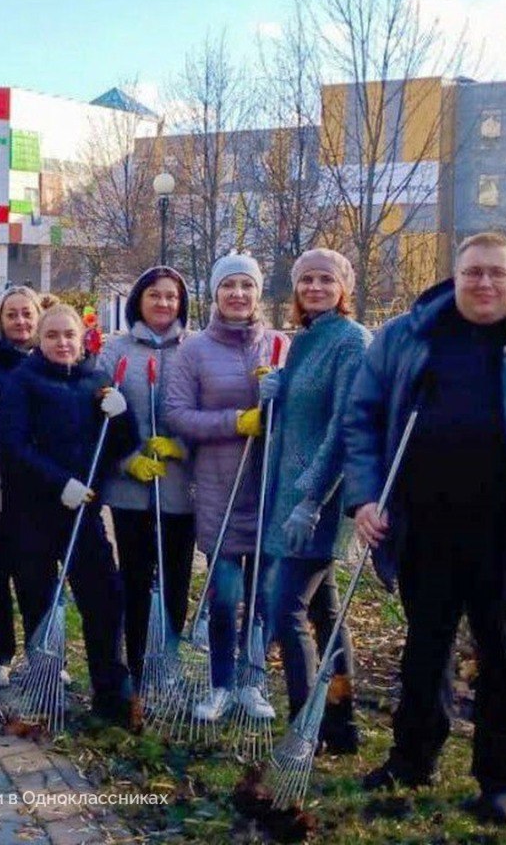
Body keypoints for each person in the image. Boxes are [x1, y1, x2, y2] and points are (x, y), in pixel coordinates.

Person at [344, 232, 506, 827]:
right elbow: (362, 417)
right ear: (456, 274)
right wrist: (365, 496)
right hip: (424, 526)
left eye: (497, 273)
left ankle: (502, 780)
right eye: (473, 272)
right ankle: (412, 757)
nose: (485, 284)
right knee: (425, 649)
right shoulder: (407, 336)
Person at [0, 302, 137, 726]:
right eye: (52, 335)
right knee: (39, 598)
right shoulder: (23, 382)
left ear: (82, 339)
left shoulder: (96, 380)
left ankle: (109, 688)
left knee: (103, 598)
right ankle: (44, 682)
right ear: (39, 340)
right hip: (35, 512)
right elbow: (13, 446)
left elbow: (118, 447)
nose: (62, 343)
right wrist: (59, 483)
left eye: (69, 335)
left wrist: (122, 414)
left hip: (84, 513)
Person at [165, 252, 287, 723]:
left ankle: (252, 683)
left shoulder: (278, 346)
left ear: (259, 293)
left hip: (267, 487)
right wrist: (238, 421)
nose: (238, 294)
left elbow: (297, 415)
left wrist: (276, 399)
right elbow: (177, 414)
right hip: (218, 488)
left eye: (247, 285)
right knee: (226, 596)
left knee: (264, 597)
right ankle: (218, 684)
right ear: (214, 293)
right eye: (228, 285)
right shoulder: (193, 351)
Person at [256, 249, 370, 753]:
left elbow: (346, 428)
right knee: (325, 614)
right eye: (306, 280)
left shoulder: (351, 342)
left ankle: (305, 726)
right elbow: (298, 422)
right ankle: (341, 724)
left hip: (317, 503)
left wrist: (313, 500)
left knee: (286, 612)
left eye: (327, 279)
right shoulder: (304, 341)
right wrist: (275, 399)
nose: (315, 287)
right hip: (290, 498)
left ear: (344, 286)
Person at [97, 267, 195, 690]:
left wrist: (181, 448)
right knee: (135, 579)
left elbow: (208, 412)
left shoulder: (196, 349)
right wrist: (127, 460)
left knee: (174, 579)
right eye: (154, 295)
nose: (163, 303)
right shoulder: (113, 351)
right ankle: (137, 662)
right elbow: (97, 420)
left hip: (180, 489)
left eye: (171, 297)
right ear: (139, 299)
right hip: (131, 491)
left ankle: (166, 661)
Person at [0, 286, 42, 688]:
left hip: (40, 486)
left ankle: (43, 652)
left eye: (27, 314)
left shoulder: (54, 360)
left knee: (38, 574)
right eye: (11, 315)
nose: (20, 322)